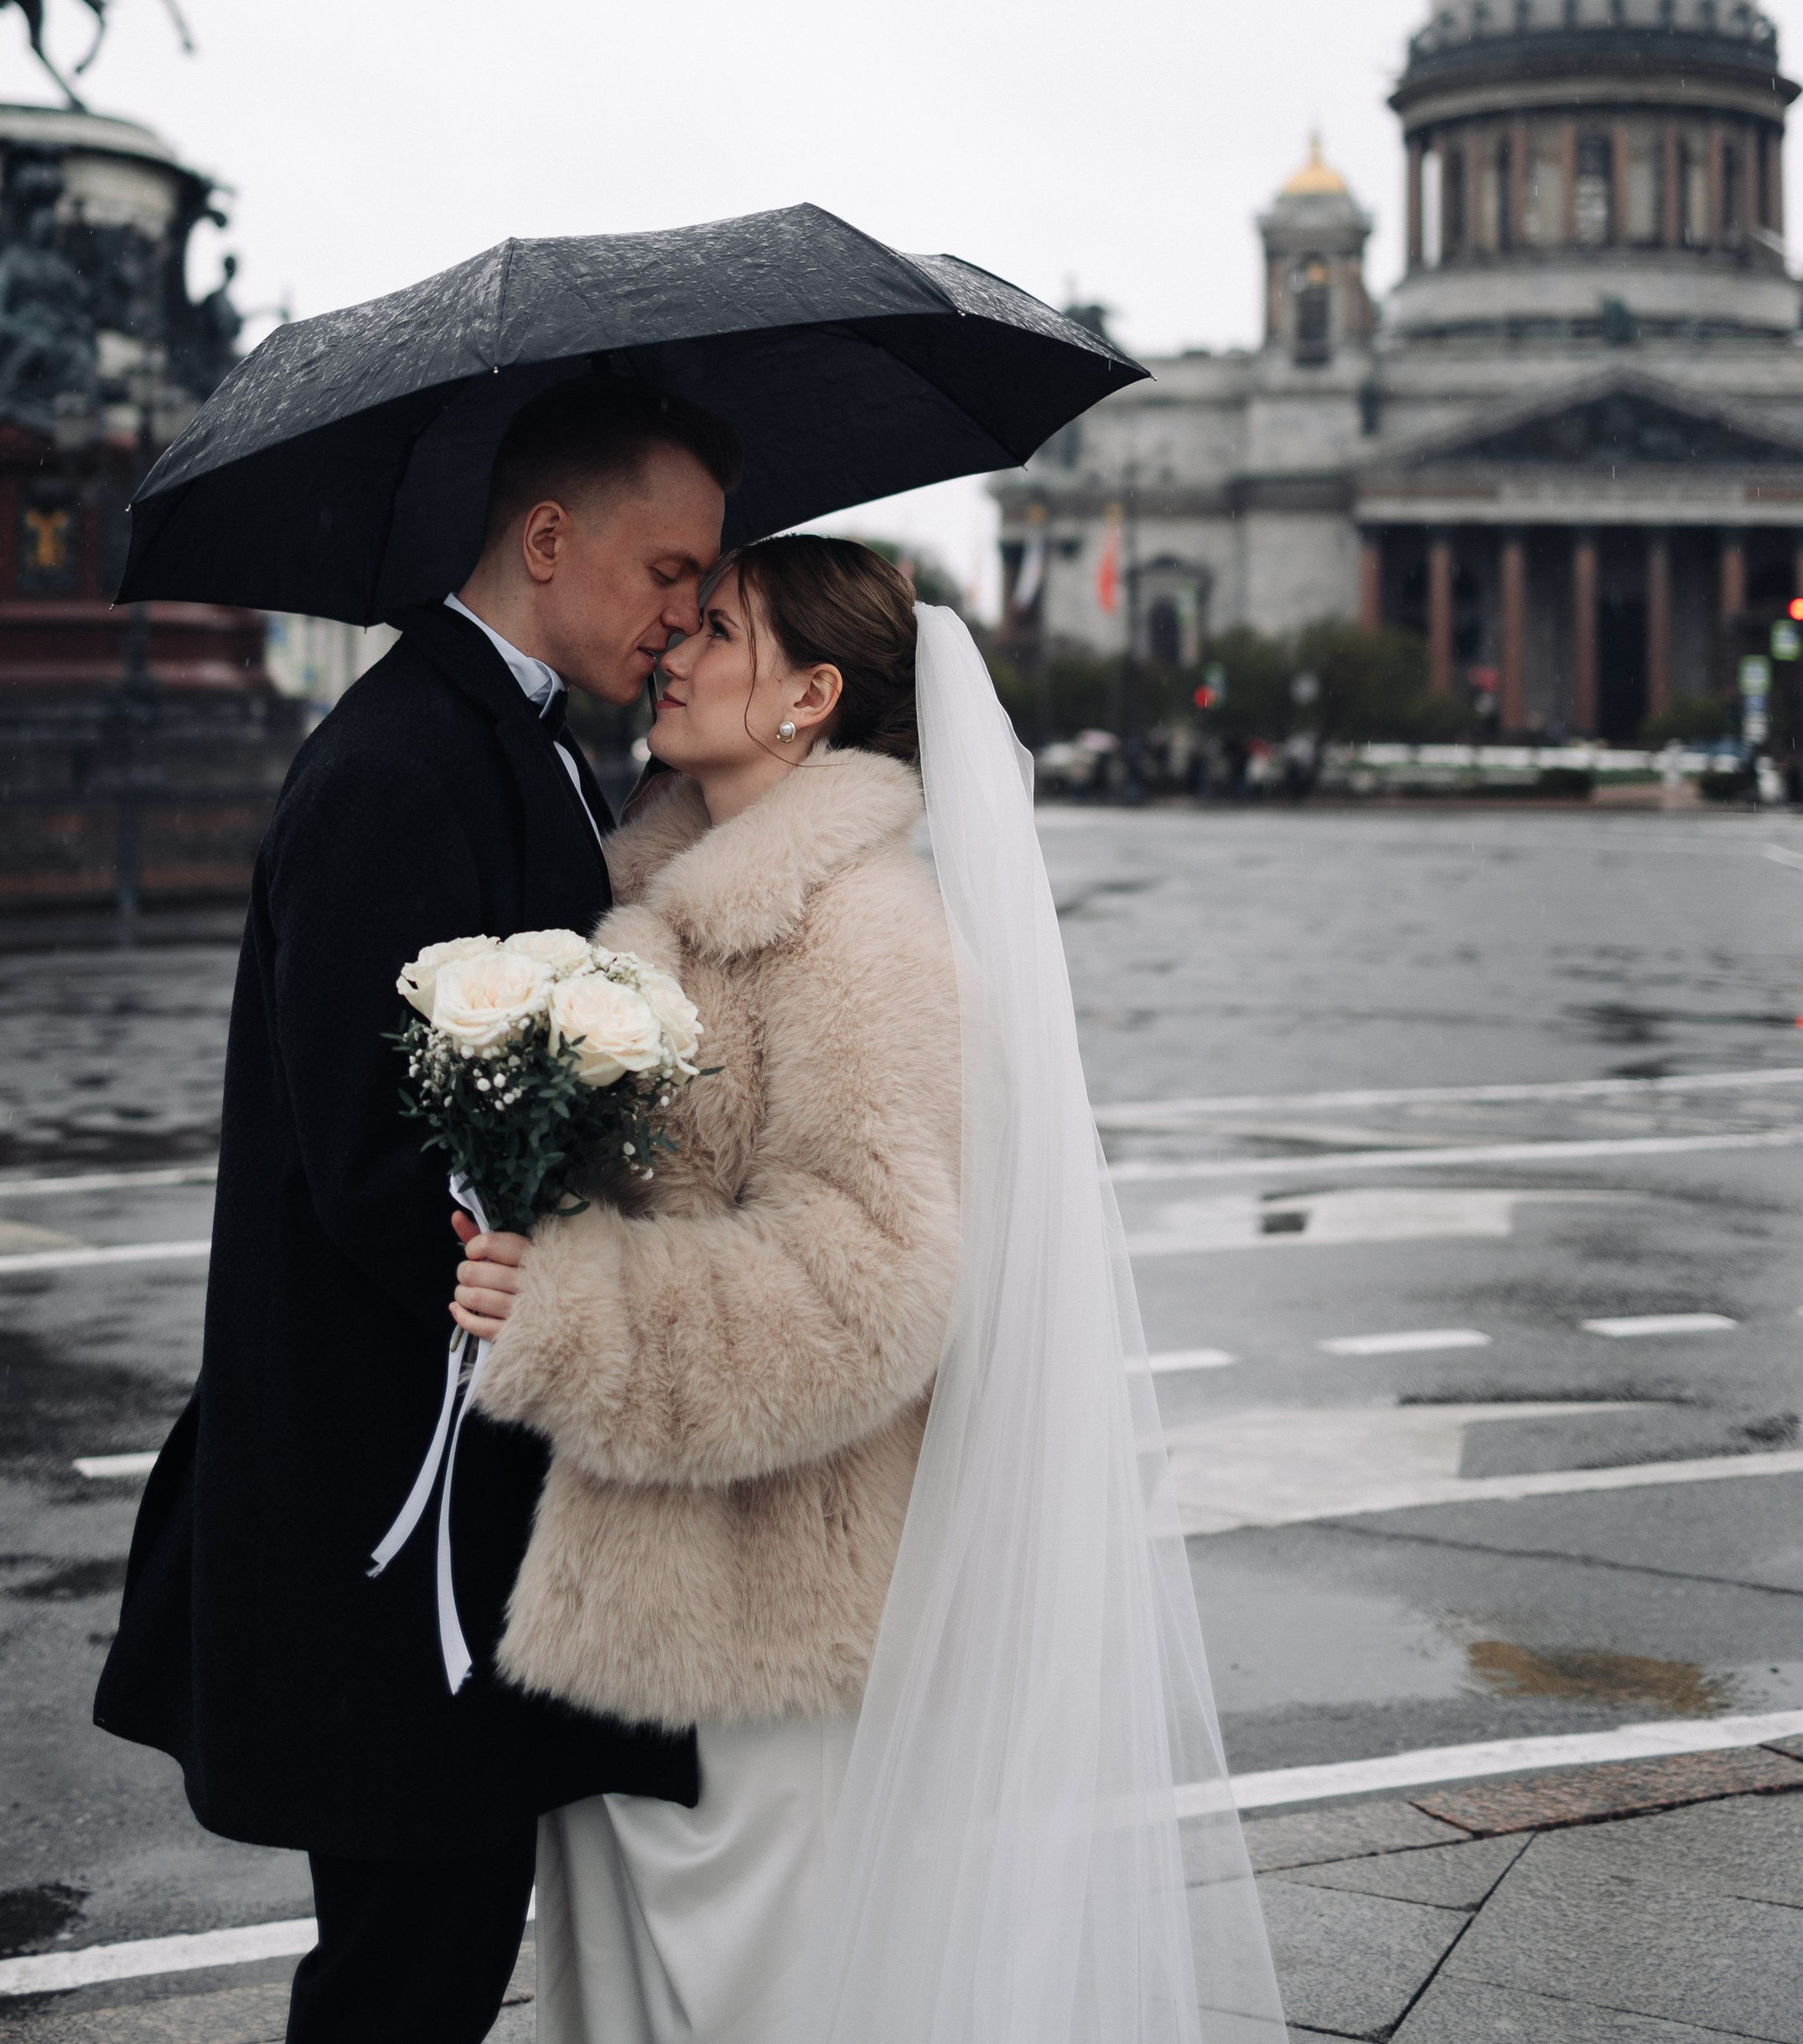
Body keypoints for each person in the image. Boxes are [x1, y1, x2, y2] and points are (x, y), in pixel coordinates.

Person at [458, 537, 1288, 2044]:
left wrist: (573, 1309)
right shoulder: (666, 904)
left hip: (770, 1612)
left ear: (812, 696)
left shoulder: (857, 929)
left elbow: (867, 1286)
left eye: (718, 629)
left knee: (764, 2005)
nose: (674, 650)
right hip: (634, 1591)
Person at [94, 374, 742, 2044]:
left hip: (446, 1485)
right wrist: (573, 1283)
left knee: (436, 1949)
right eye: (669, 571)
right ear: (550, 538)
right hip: (392, 1498)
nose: (684, 616)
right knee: (408, 1969)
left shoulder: (498, 737)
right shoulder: (398, 761)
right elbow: (378, 1162)